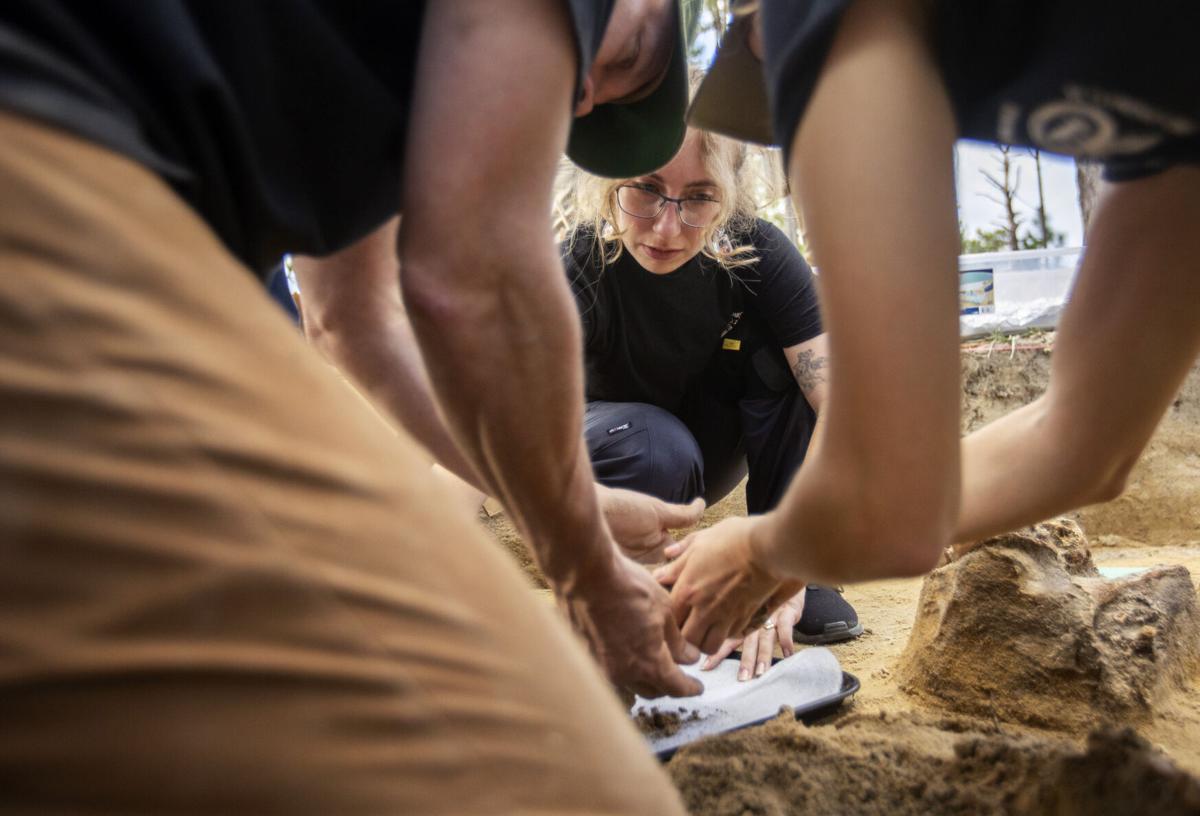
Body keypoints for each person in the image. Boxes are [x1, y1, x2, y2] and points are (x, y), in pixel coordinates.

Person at [0, 1, 705, 812]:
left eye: (610, 103)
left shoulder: (369, 69)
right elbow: (473, 277)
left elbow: (353, 320)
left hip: (117, 231)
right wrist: (581, 563)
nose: (584, 94)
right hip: (63, 186)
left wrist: (574, 503)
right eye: (629, 63)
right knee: (571, 784)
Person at [656, 0, 1200, 657]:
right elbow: (1084, 449)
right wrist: (784, 553)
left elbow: (897, 501)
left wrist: (760, 549)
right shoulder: (1159, 113)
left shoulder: (820, 25)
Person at [559, 120, 862, 681]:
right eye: (645, 189)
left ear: (730, 199)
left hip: (711, 451)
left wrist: (786, 550)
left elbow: (844, 407)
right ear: (610, 183)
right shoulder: (582, 261)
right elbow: (495, 422)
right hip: (616, 451)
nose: (667, 227)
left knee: (800, 364)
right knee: (656, 447)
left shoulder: (758, 252)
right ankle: (646, 576)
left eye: (699, 198)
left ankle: (786, 570)